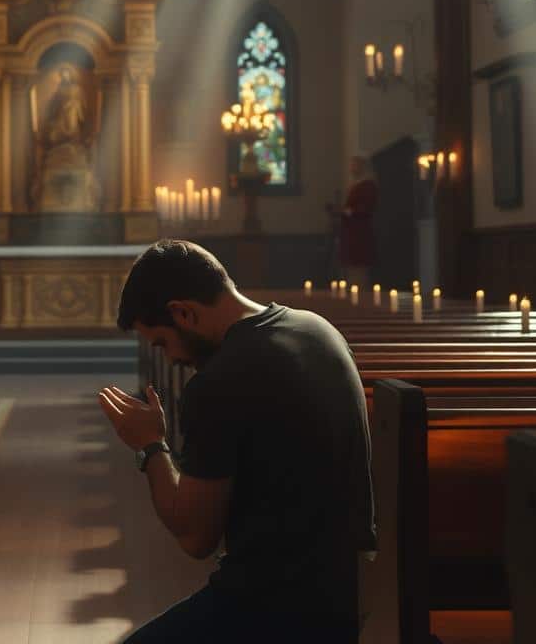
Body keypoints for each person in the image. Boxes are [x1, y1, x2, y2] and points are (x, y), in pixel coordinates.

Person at [99, 240, 375, 643]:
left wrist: (151, 445)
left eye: (162, 342)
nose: (171, 358)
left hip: (279, 607)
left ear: (183, 313)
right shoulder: (316, 328)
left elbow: (194, 537)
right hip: (355, 588)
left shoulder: (220, 381)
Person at [338, 155, 378, 288]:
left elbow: (364, 208)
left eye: (354, 164)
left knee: (359, 272)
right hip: (352, 234)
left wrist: (349, 212)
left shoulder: (367, 185)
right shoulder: (357, 184)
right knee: (352, 271)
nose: (351, 168)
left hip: (360, 235)